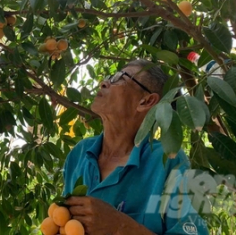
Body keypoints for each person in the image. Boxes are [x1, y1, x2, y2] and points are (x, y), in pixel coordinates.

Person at [63, 60, 209, 235]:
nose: (103, 83)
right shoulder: (79, 154)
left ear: (146, 101)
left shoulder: (169, 162)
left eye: (120, 78)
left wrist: (119, 226)